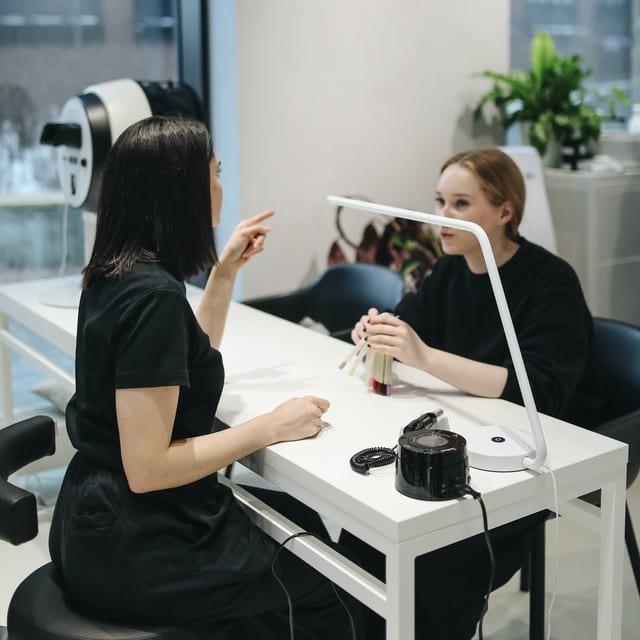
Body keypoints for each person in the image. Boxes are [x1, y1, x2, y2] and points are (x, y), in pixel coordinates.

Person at [48, 116, 362, 639]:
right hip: (139, 543)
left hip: (94, 521)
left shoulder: (116, 273)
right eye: (215, 174)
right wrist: (271, 426)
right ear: (180, 191)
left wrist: (225, 272)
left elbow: (181, 361)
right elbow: (148, 468)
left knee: (299, 523)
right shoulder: (154, 297)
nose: (221, 186)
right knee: (338, 578)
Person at [343, 147, 602, 639]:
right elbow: (409, 324)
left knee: (435, 560)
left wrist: (424, 356)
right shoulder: (451, 270)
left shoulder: (550, 281)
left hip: (535, 452)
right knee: (371, 534)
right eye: (439, 201)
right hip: (465, 433)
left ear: (505, 212)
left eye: (461, 204)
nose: (442, 216)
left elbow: (537, 391)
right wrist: (381, 332)